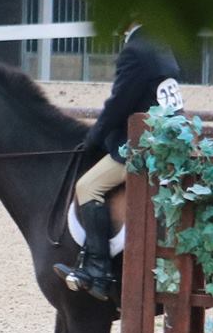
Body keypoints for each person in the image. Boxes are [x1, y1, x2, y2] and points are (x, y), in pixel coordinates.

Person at [53, 24, 182, 301]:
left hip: (144, 146)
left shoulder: (135, 50)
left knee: (88, 186)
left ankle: (98, 272)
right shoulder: (162, 42)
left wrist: (93, 140)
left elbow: (118, 106)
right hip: (172, 140)